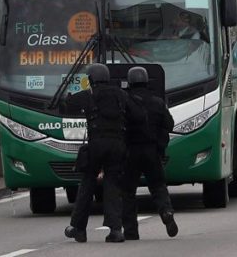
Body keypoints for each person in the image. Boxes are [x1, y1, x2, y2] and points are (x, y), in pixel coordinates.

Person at [64, 64, 138, 243]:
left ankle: (79, 229)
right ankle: (116, 230)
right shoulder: (121, 95)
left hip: (96, 146)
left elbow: (67, 105)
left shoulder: (88, 95)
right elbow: (137, 114)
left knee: (87, 185)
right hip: (117, 146)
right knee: (113, 186)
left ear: (90, 80)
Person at [121, 66, 178, 241]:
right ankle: (166, 212)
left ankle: (131, 231)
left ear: (129, 82)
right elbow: (169, 124)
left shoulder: (126, 102)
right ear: (146, 81)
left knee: (128, 192)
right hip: (152, 151)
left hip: (131, 152)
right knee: (158, 186)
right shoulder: (157, 102)